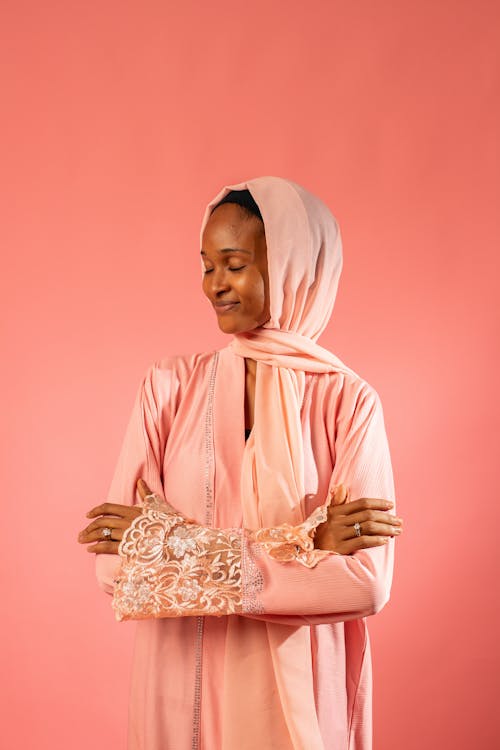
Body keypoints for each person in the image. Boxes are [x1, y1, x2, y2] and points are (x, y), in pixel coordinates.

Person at [77, 176, 403, 750]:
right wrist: (302, 545)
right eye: (207, 265)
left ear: (293, 268)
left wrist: (167, 547)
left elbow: (363, 584)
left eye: (234, 263)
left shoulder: (347, 402)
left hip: (296, 700)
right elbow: (116, 569)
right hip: (179, 690)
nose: (214, 285)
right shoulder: (168, 388)